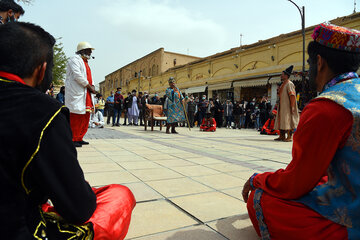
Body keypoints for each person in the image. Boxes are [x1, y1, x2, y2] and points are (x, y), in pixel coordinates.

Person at [0, 21, 135, 240]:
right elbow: (78, 208)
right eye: (89, 50)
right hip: (15, 229)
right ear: (42, 70)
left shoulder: (83, 63)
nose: (90, 53)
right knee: (120, 195)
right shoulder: (43, 110)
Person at [242, 23, 360, 239]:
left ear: (319, 61)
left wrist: (258, 178)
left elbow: (296, 183)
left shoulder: (326, 107)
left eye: (309, 63)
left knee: (260, 199)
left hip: (351, 216)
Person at [65, 41, 96, 147]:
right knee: (76, 116)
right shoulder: (74, 60)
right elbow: (77, 75)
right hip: (78, 91)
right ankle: (73, 139)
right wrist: (89, 86)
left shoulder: (85, 62)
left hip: (86, 92)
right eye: (88, 50)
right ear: (82, 50)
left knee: (85, 116)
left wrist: (91, 87)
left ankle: (79, 137)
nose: (90, 53)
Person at [274, 65, 300, 142]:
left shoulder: (289, 84)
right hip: (282, 106)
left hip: (287, 106)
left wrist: (292, 106)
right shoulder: (283, 84)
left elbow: (292, 95)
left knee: (288, 120)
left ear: (286, 75)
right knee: (282, 120)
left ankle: (289, 136)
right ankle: (282, 135)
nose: (280, 76)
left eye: (282, 75)